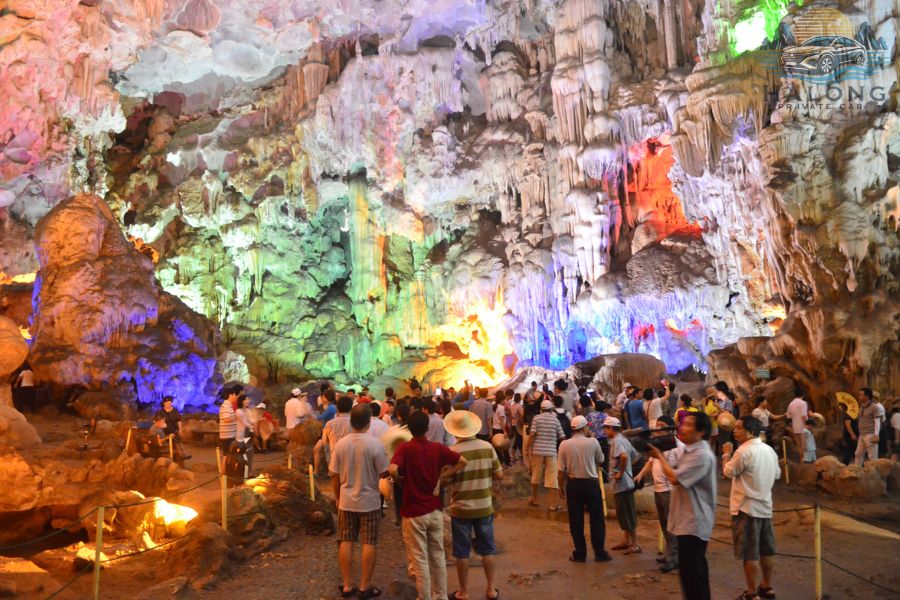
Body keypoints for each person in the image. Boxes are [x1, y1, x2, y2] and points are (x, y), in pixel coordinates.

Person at [389, 411, 467, 600]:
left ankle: (425, 597)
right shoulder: (437, 448)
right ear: (427, 428)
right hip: (434, 510)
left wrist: (398, 478)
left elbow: (392, 468)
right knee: (438, 556)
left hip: (414, 512)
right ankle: (441, 596)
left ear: (409, 428)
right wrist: (444, 475)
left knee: (419, 559)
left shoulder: (405, 448)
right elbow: (462, 461)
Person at [648, 412, 717, 600]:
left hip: (694, 522)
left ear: (701, 431)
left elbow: (674, 478)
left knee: (693, 574)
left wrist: (658, 455)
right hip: (686, 519)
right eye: (682, 423)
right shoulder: (688, 449)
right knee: (691, 573)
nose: (682, 428)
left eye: (687, 425)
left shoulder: (702, 455)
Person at [330, 404, 390, 600]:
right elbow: (383, 472)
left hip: (347, 501)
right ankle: (365, 586)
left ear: (351, 422)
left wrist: (338, 497)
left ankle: (347, 585)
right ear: (368, 421)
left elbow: (334, 475)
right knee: (369, 542)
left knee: (346, 540)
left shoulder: (341, 444)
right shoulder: (375, 445)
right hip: (370, 501)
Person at [445, 411, 503, 600]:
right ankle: (491, 589)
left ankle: (464, 591)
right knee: (488, 549)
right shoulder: (487, 447)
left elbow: (447, 479)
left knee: (462, 552)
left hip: (461, 507)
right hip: (484, 506)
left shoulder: (453, 452)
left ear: (456, 431)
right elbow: (499, 474)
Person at [722, 416, 781, 600]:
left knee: (750, 553)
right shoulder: (769, 450)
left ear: (750, 432)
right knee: (766, 549)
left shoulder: (743, 451)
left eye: (739, 428)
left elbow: (727, 472)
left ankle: (751, 592)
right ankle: (767, 586)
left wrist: (726, 454)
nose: (734, 430)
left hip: (746, 507)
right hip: (765, 506)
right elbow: (777, 474)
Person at [558, 415, 611, 563]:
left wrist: (560, 486)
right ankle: (600, 553)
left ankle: (580, 553)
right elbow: (600, 460)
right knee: (597, 519)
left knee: (576, 521)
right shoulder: (593, 442)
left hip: (573, 485)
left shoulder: (564, 445)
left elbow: (561, 470)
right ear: (585, 427)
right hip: (591, 484)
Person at [635, 416, 684, 572]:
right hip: (659, 490)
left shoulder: (678, 446)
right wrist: (641, 475)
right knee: (664, 524)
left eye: (662, 426)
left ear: (670, 429)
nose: (658, 430)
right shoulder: (658, 445)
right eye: (657, 426)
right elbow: (650, 462)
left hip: (671, 491)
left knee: (672, 526)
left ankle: (674, 557)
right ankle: (670, 553)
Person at [605, 416, 640, 554]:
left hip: (622, 484)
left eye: (606, 428)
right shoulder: (623, 439)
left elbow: (624, 456)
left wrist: (620, 472)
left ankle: (635, 544)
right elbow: (635, 457)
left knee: (627, 515)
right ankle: (626, 541)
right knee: (624, 514)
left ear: (611, 428)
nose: (605, 431)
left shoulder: (617, 441)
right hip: (625, 484)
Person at [525, 399, 566, 510]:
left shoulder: (536, 418)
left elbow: (532, 434)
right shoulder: (555, 420)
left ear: (541, 410)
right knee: (552, 477)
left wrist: (526, 448)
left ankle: (534, 499)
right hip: (551, 452)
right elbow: (562, 437)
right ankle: (552, 505)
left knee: (536, 475)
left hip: (537, 451)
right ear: (551, 409)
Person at [318, 396, 354, 475]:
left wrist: (329, 460)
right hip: (349, 462)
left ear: (337, 408)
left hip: (334, 460)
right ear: (351, 409)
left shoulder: (329, 424)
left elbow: (325, 443)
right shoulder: (354, 424)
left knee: (335, 484)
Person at [855, 388, 880, 466]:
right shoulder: (861, 406)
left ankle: (875, 476)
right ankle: (857, 472)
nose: (859, 396)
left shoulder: (874, 407)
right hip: (862, 434)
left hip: (870, 434)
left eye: (861, 395)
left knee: (872, 457)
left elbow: (877, 421)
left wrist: (876, 434)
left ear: (867, 396)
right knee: (858, 454)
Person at [160, 396, 191, 460]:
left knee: (178, 442)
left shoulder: (175, 411)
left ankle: (183, 454)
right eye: (166, 403)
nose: (168, 405)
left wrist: (180, 429)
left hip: (174, 430)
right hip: (165, 431)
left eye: (169, 403)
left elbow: (178, 420)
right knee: (170, 444)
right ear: (164, 404)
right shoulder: (161, 412)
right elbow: (158, 421)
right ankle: (172, 456)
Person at [786, 390, 810, 460]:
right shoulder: (803, 403)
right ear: (802, 395)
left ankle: (801, 458)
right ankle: (805, 459)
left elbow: (788, 415)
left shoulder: (791, 403)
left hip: (795, 425)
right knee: (804, 443)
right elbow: (803, 415)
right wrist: (806, 424)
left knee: (798, 444)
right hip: (803, 425)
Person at [218, 385, 241, 453]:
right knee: (227, 455)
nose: (236, 397)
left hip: (230, 435)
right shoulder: (226, 406)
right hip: (227, 436)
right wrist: (237, 416)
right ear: (230, 395)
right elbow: (226, 419)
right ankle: (223, 464)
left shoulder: (229, 405)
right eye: (234, 395)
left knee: (229, 456)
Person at [508, 393, 524, 464]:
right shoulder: (519, 406)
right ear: (520, 399)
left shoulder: (511, 406)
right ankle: (512, 453)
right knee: (518, 439)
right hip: (518, 425)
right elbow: (522, 416)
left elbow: (510, 416)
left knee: (519, 438)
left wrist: (511, 425)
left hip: (513, 423)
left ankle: (521, 453)